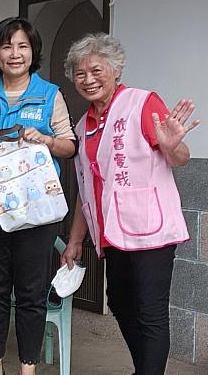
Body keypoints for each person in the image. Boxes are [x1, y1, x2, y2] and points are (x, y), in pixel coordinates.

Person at [60, 33, 198, 375]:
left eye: (96, 70)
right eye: (80, 73)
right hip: (112, 231)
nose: (88, 79)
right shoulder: (82, 126)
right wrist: (76, 240)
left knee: (150, 311)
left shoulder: (142, 103)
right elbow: (85, 187)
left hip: (151, 228)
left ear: (116, 69)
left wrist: (171, 145)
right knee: (120, 302)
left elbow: (179, 158)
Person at [0, 17, 77, 375]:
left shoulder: (49, 95)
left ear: (33, 52)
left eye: (23, 46)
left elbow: (69, 147)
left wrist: (45, 140)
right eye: (6, 46)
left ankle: (27, 366)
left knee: (30, 291)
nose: (15, 54)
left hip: (37, 210)